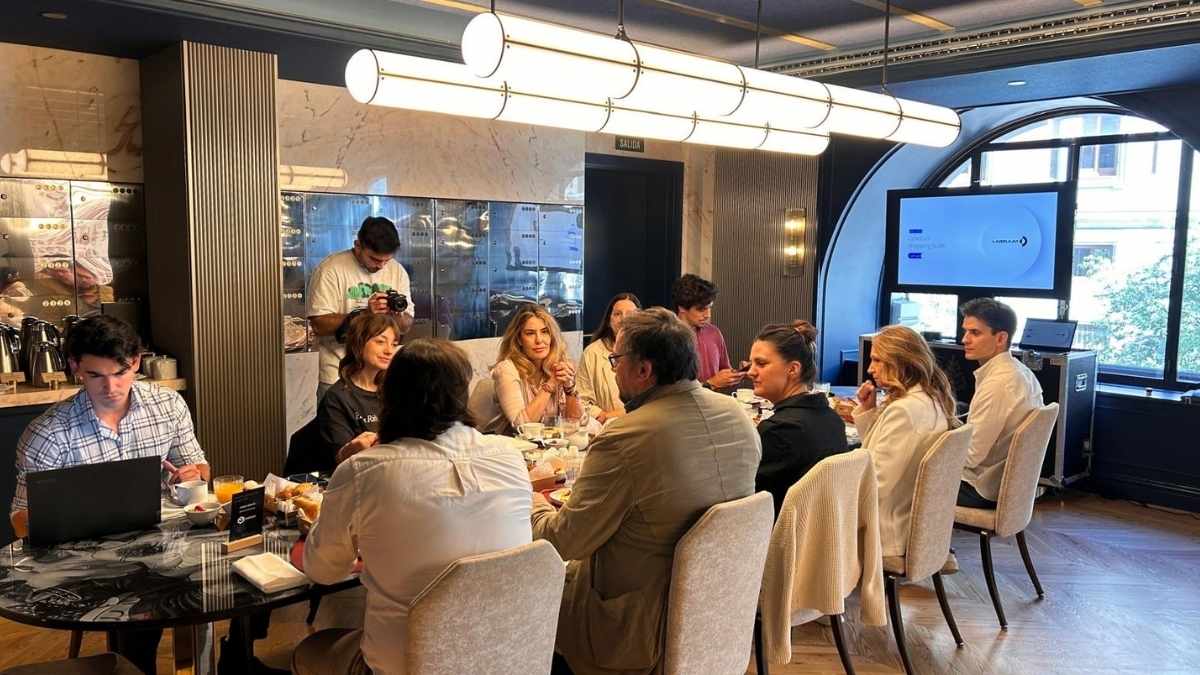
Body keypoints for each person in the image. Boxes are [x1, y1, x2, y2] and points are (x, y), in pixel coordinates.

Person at [532, 307, 760, 675]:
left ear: (643, 370)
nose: (612, 370)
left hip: (635, 632)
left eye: (616, 360)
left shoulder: (627, 437)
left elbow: (564, 541)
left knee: (522, 595)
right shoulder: (739, 417)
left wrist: (529, 502)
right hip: (716, 615)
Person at [294, 339, 532, 675]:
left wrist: (344, 469)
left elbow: (323, 570)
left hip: (408, 664)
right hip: (506, 656)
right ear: (461, 395)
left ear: (389, 396)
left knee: (310, 650)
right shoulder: (510, 457)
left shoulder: (364, 471)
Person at [9, 315, 209, 675]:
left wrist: (192, 474)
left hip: (163, 542)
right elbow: (21, 520)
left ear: (136, 362)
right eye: (96, 375)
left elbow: (199, 468)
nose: (111, 387)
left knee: (218, 585)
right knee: (139, 607)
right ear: (75, 368)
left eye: (120, 373)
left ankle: (232, 658)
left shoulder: (168, 406)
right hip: (90, 562)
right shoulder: (48, 433)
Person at [853, 325, 958, 557]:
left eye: (877, 360)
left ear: (901, 361)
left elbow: (877, 483)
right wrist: (868, 410)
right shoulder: (930, 399)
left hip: (883, 528)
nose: (870, 369)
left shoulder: (905, 411)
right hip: (902, 516)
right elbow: (881, 454)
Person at [747, 320, 850, 515]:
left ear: (793, 369)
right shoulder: (833, 420)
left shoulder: (779, 431)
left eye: (761, 364)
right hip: (826, 528)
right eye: (751, 363)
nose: (751, 372)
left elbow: (746, 496)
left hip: (783, 530)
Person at [307, 216, 415, 400]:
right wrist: (365, 313)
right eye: (374, 259)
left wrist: (395, 314)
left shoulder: (396, 271)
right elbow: (318, 325)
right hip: (338, 373)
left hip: (382, 376)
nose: (381, 266)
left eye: (386, 260)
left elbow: (405, 325)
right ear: (358, 245)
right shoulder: (331, 269)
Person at [958, 298, 1044, 508]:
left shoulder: (998, 384)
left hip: (979, 488)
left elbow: (971, 457)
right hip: (1003, 484)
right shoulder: (1021, 371)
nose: (964, 340)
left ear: (1001, 338)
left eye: (975, 333)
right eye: (965, 331)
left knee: (897, 477)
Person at [484, 303, 583, 435]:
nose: (539, 340)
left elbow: (575, 423)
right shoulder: (506, 369)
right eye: (530, 333)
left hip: (550, 443)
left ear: (552, 336)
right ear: (519, 339)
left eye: (544, 332)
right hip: (513, 443)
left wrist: (569, 388)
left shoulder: (558, 365)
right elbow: (522, 426)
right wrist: (550, 384)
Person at [317, 312, 401, 465]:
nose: (389, 351)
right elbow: (339, 460)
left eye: (394, 344)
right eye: (380, 342)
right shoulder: (337, 398)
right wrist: (354, 448)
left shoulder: (397, 391)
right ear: (359, 343)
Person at [576, 292, 641, 423]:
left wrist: (615, 414)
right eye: (617, 314)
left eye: (630, 314)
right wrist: (602, 416)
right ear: (608, 321)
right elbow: (581, 399)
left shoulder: (649, 350)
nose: (624, 319)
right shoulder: (592, 352)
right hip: (605, 426)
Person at [672, 274, 742, 390]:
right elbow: (671, 393)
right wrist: (710, 384)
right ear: (682, 308)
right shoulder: (668, 338)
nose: (708, 315)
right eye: (701, 309)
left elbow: (724, 372)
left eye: (709, 308)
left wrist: (741, 373)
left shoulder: (714, 333)